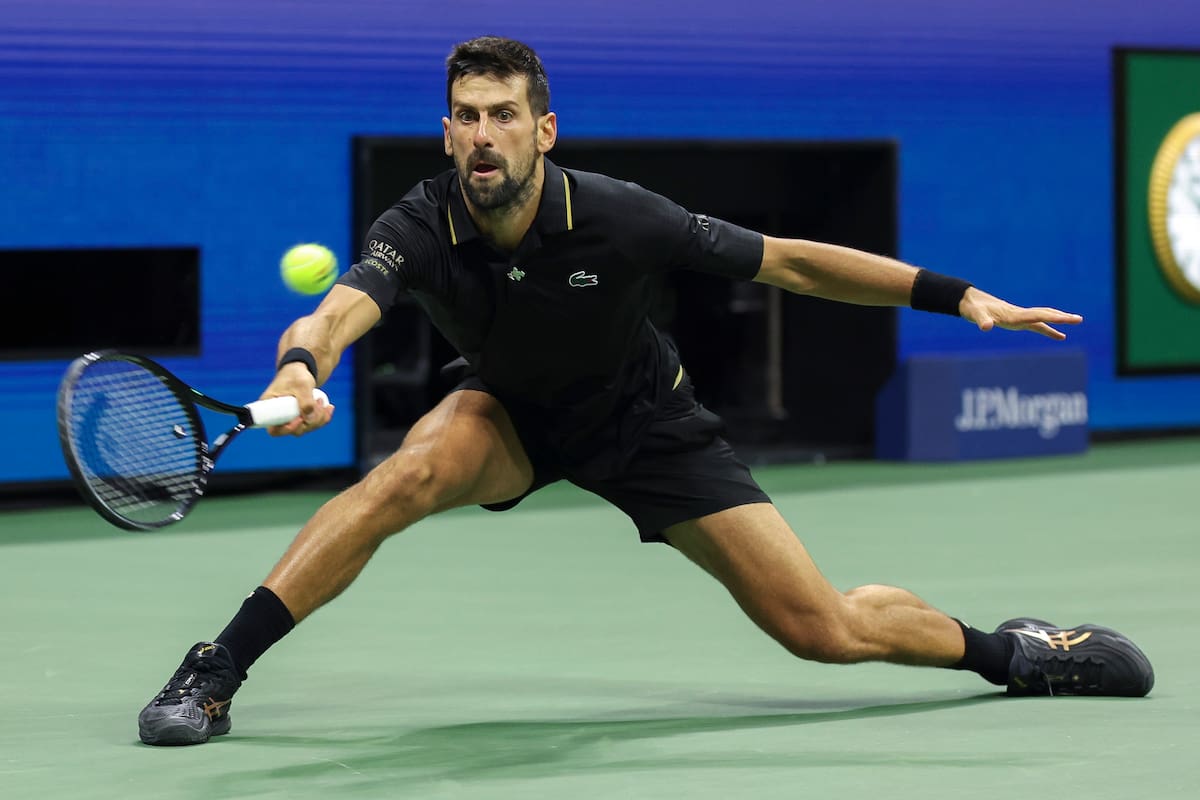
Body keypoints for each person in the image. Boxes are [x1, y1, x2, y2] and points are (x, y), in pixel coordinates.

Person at [137, 35, 1153, 746]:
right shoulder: (420, 221)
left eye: (504, 116)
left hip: (645, 419)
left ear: (544, 130)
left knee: (819, 628)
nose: (483, 135)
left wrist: (958, 294)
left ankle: (1007, 648)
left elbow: (791, 261)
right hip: (512, 414)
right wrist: (300, 368)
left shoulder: (619, 217)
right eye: (466, 118)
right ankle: (215, 669)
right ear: (446, 133)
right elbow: (341, 307)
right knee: (400, 479)